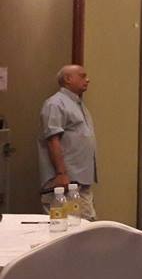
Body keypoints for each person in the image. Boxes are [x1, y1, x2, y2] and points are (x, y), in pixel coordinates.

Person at [37, 65, 97, 219]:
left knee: (85, 225)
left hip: (79, 182)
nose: (88, 80)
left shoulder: (78, 104)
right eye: (82, 76)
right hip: (64, 182)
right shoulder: (55, 104)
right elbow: (52, 140)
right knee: (65, 226)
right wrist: (61, 173)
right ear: (68, 79)